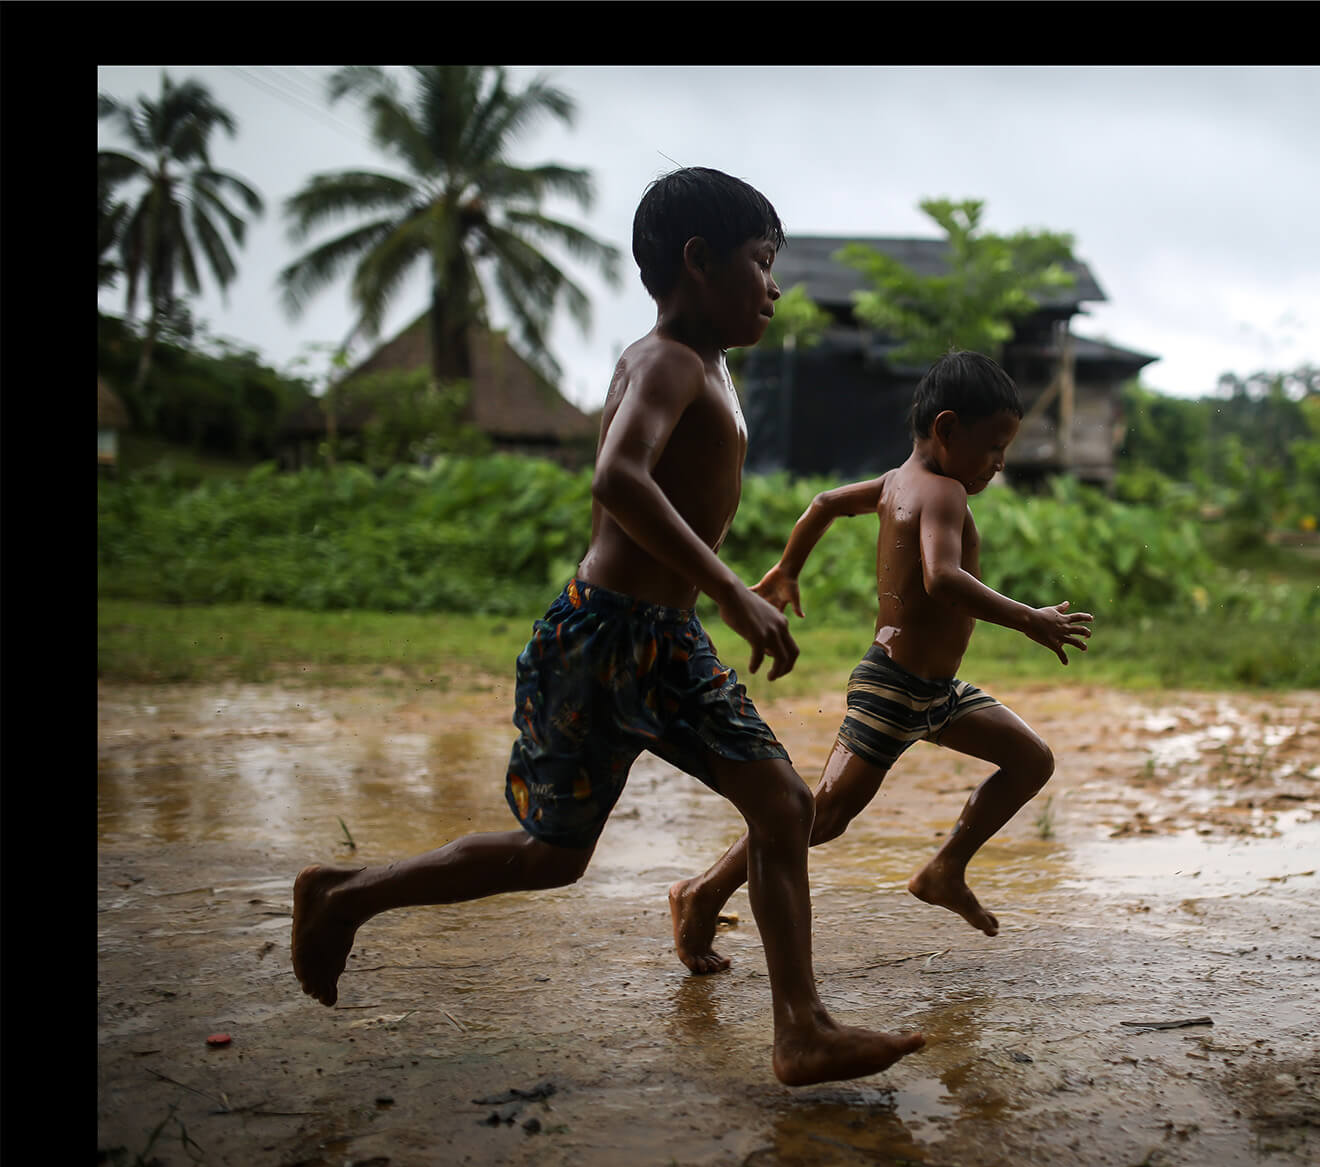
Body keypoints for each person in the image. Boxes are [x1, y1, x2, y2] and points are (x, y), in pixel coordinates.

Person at [291, 167, 925, 1087]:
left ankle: (801, 1029)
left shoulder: (711, 365)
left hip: (667, 643)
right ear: (697, 262)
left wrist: (725, 592)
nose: (775, 285)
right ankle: (346, 896)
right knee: (552, 857)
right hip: (603, 638)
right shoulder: (666, 358)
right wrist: (728, 589)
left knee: (783, 803)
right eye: (761, 261)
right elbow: (619, 478)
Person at [669, 350, 1094, 975]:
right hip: (895, 688)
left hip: (935, 691)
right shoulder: (944, 491)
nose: (1000, 464)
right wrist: (1029, 617)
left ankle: (945, 867)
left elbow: (821, 503)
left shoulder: (900, 480)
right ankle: (702, 893)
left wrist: (789, 567)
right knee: (821, 816)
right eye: (993, 446)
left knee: (1031, 758)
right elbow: (943, 578)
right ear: (947, 430)